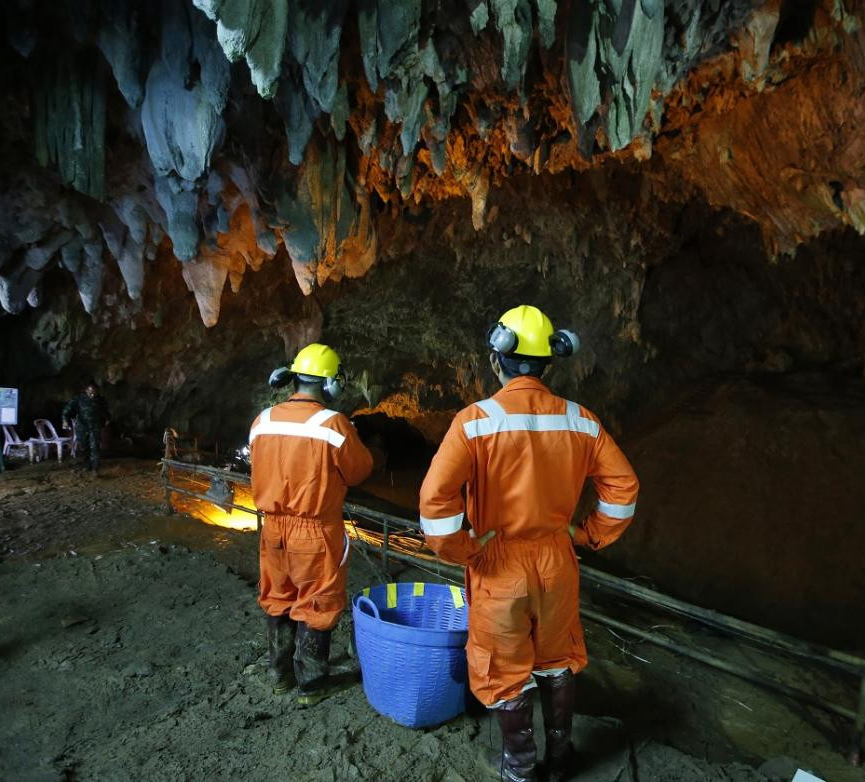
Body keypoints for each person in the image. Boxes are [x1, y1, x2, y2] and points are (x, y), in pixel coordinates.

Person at [419, 305, 640, 781]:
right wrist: (586, 535)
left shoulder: (475, 422)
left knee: (502, 667)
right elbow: (623, 488)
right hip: (557, 559)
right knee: (557, 658)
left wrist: (467, 549)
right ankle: (562, 759)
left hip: (499, 560)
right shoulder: (581, 422)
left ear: (498, 360)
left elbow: (435, 504)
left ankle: (520, 766)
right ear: (548, 362)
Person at [249, 343, 374, 706]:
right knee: (316, 603)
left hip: (272, 528)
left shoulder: (263, 420)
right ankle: (311, 685)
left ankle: (280, 677)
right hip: (315, 531)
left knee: (277, 597)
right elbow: (359, 470)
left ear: (293, 378)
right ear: (331, 384)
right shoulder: (333, 425)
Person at [62, 381, 110, 474]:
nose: (93, 395)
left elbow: (105, 410)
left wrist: (107, 419)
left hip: (95, 426)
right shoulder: (78, 399)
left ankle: (95, 468)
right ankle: (87, 465)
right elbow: (67, 410)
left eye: (95, 393)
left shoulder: (100, 400)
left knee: (94, 446)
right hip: (82, 426)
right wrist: (65, 420)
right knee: (84, 446)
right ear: (86, 391)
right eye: (91, 393)